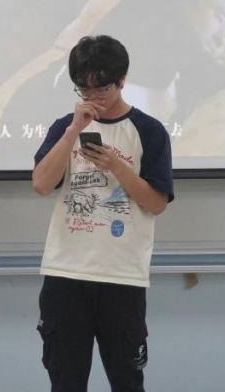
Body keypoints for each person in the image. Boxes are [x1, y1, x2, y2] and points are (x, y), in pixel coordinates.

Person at [31, 35, 174, 392]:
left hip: (122, 276)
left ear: (122, 80)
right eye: (84, 89)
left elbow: (156, 203)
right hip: (66, 273)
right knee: (65, 382)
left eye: (102, 88)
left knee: (127, 382)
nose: (93, 97)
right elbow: (42, 184)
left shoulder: (149, 131)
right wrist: (73, 131)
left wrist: (116, 166)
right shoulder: (65, 127)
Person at [0, 0, 225, 157]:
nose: (222, 39)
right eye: (219, 16)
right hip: (41, 126)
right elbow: (208, 71)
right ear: (189, 0)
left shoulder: (185, 88)